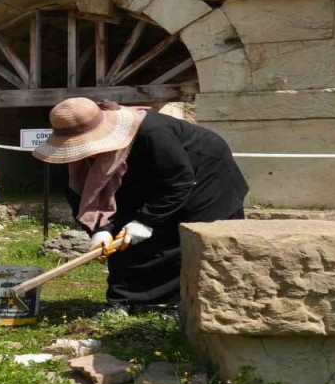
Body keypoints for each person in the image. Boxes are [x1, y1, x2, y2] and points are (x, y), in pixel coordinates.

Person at [33, 97, 248, 310]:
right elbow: (79, 194)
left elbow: (179, 182)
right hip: (146, 174)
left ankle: (177, 303)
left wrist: (145, 221)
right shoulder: (74, 161)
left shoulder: (152, 132)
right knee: (122, 234)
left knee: (182, 233)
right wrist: (100, 229)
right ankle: (125, 301)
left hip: (202, 173)